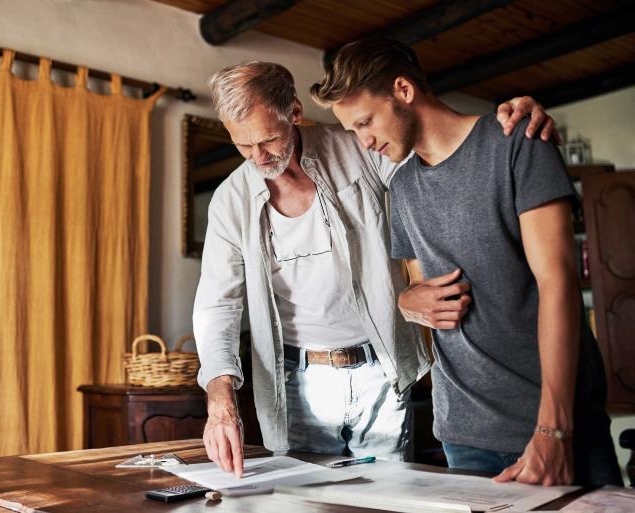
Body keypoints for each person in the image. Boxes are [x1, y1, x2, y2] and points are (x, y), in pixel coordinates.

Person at [195, 60, 558, 478]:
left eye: (269, 139)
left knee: (387, 498)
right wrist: (220, 400)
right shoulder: (230, 201)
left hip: (379, 372)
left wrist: (500, 133)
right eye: (243, 145)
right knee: (305, 501)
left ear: (294, 111)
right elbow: (217, 306)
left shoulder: (357, 146)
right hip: (293, 383)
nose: (258, 156)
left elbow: (436, 158)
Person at [312, 38, 622, 486]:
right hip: (463, 434)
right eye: (353, 131)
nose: (365, 141)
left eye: (365, 122)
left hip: (556, 425)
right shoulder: (402, 188)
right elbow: (421, 293)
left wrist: (553, 429)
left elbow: (559, 283)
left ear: (403, 90)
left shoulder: (516, 142)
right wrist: (407, 302)